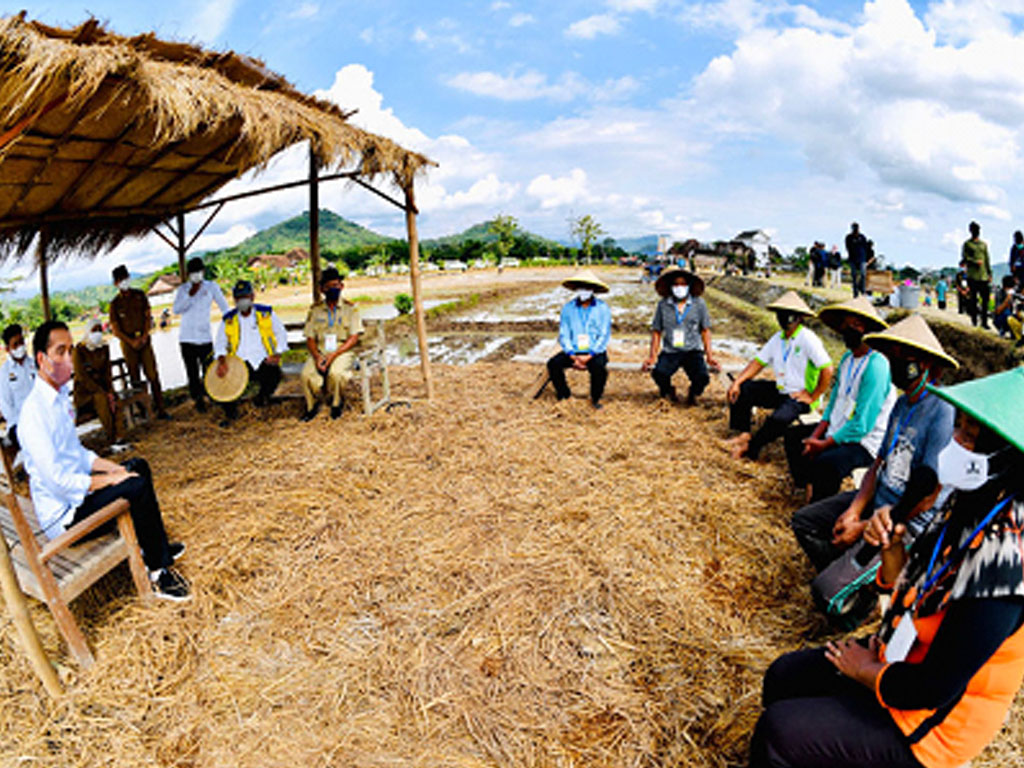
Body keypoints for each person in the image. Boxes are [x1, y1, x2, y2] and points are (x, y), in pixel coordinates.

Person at [747, 367, 1024, 768]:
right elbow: (905, 584)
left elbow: (934, 688)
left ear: (1006, 459)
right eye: (958, 428)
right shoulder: (965, 502)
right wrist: (891, 545)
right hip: (896, 660)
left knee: (778, 733)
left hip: (929, 722)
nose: (956, 442)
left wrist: (865, 672)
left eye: (971, 438)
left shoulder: (1007, 559)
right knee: (784, 676)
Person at [18, 321, 189, 601]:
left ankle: (156, 547)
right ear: (42, 359)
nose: (68, 359)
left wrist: (113, 468)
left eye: (70, 350)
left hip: (78, 499)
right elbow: (59, 482)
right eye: (60, 352)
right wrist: (110, 481)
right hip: (65, 517)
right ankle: (158, 573)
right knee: (134, 487)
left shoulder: (59, 399)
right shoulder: (34, 414)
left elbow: (78, 454)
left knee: (137, 468)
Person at [790, 314, 957, 572]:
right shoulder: (902, 404)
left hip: (902, 520)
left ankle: (850, 583)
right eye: (891, 357)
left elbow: (926, 497)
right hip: (878, 499)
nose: (893, 364)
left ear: (922, 363)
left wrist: (862, 527)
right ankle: (840, 568)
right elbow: (878, 464)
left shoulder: (942, 411)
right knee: (803, 521)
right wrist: (855, 510)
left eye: (901, 357)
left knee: (825, 592)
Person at [784, 297, 895, 503]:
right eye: (847, 324)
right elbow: (833, 404)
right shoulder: (847, 358)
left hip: (864, 442)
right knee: (794, 438)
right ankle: (806, 485)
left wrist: (824, 444)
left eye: (856, 325)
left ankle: (817, 508)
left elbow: (862, 425)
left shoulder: (876, 365)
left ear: (867, 328)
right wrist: (816, 436)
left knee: (827, 464)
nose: (849, 329)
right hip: (838, 428)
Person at [727, 291, 834, 461]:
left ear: (799, 317)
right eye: (781, 313)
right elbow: (758, 362)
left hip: (799, 396)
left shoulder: (807, 338)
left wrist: (813, 396)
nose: (784, 318)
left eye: (789, 314)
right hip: (781, 390)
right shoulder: (778, 338)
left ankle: (753, 446)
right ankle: (744, 432)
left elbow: (827, 369)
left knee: (779, 419)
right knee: (745, 389)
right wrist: (737, 382)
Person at [212, 279, 288, 426]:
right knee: (222, 382)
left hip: (263, 360)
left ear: (252, 296)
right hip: (239, 364)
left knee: (274, 374)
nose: (242, 301)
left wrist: (277, 354)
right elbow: (220, 344)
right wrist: (221, 362)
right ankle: (231, 414)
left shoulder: (266, 313)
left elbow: (281, 334)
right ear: (234, 300)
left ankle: (260, 401)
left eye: (245, 297)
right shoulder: (228, 320)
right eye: (239, 298)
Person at [642, 266, 719, 406]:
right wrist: (652, 356)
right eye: (676, 284)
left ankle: (693, 393)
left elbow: (705, 330)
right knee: (659, 373)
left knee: (702, 377)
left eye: (683, 284)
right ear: (671, 286)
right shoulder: (663, 305)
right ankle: (669, 391)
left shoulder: (699, 304)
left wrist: (710, 356)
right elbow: (657, 331)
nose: (679, 287)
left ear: (689, 285)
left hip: (692, 351)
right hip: (671, 351)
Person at [300, 266, 364, 421]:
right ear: (322, 289)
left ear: (341, 286)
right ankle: (312, 407)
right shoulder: (315, 311)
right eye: (328, 287)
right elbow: (309, 338)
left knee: (337, 374)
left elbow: (354, 337)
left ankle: (336, 404)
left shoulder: (351, 309)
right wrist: (317, 357)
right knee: (306, 375)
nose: (333, 290)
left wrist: (333, 355)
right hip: (320, 351)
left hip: (342, 351)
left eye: (335, 286)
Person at [108, 264, 170, 419]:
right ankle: (143, 412)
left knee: (152, 375)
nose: (124, 282)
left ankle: (161, 409)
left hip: (144, 340)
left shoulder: (140, 295)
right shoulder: (114, 304)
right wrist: (131, 341)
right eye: (121, 280)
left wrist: (143, 336)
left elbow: (148, 317)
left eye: (126, 278)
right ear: (116, 283)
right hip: (128, 344)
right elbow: (115, 330)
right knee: (135, 378)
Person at [546, 269, 612, 409]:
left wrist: (590, 355)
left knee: (599, 368)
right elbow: (564, 333)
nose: (584, 290)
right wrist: (571, 355)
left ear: (593, 289)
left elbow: (604, 334)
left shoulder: (603, 308)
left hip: (594, 351)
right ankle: (565, 396)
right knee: (553, 364)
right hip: (573, 351)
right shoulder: (568, 308)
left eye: (587, 287)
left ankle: (595, 399)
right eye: (581, 287)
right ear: (576, 288)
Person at [172, 256, 229, 413]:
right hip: (187, 338)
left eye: (198, 271)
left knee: (209, 370)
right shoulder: (183, 289)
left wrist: (230, 325)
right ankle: (198, 401)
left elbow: (225, 307)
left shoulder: (212, 287)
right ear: (189, 274)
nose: (196, 275)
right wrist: (190, 294)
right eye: (193, 272)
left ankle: (213, 397)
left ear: (203, 271)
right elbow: (176, 310)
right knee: (192, 373)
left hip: (205, 338)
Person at [72, 319, 119, 444]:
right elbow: (82, 377)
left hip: (102, 388)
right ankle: (112, 437)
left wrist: (109, 390)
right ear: (88, 332)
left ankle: (120, 433)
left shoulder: (104, 347)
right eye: (94, 330)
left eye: (99, 330)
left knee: (114, 397)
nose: (97, 333)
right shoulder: (79, 350)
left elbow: (107, 371)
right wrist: (101, 391)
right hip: (85, 394)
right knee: (102, 399)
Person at [0, 323, 36, 451]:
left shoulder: (34, 364)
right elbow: (6, 406)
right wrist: (23, 423)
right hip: (18, 424)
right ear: (8, 349)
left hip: (40, 417)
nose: (20, 347)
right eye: (16, 344)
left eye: (22, 342)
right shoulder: (4, 373)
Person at [961, 221, 992, 329]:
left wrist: (989, 273)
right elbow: (965, 258)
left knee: (985, 300)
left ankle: (984, 322)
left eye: (977, 230)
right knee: (973, 299)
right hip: (973, 276)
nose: (976, 232)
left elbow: (987, 259)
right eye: (974, 230)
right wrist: (974, 261)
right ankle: (974, 320)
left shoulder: (983, 244)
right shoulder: (967, 244)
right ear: (971, 231)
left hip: (983, 276)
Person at [845, 222, 869, 298]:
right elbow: (848, 248)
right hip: (853, 259)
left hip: (862, 259)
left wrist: (866, 259)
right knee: (854, 276)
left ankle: (863, 290)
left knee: (863, 275)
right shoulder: (849, 237)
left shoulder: (862, 237)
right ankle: (855, 293)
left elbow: (866, 248)